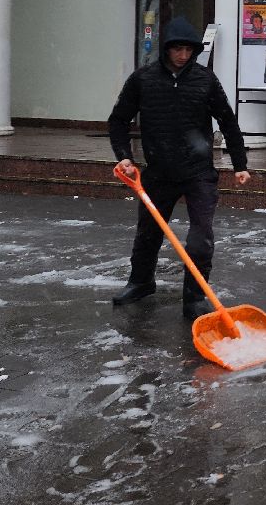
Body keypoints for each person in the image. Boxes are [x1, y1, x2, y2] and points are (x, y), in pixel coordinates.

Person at [108, 17, 252, 319]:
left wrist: (240, 164)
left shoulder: (205, 80)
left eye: (188, 50)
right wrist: (124, 156)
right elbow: (118, 120)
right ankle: (141, 282)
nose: (183, 56)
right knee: (148, 233)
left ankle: (195, 296)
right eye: (177, 50)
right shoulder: (143, 79)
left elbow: (228, 120)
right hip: (159, 171)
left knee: (200, 238)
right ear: (166, 49)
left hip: (198, 172)